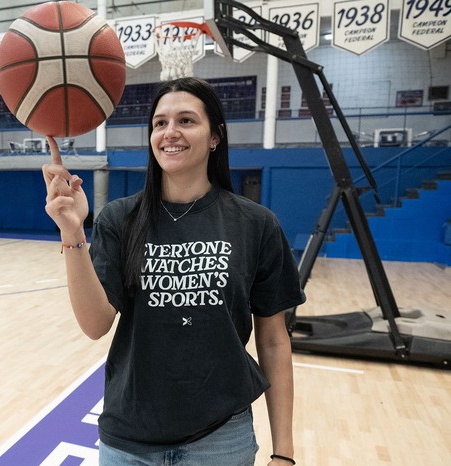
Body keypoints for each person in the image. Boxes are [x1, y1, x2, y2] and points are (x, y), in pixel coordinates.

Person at [42, 77, 305, 466]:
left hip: (220, 440)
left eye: (186, 121)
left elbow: (273, 342)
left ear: (214, 137)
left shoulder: (255, 224)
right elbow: (95, 324)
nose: (170, 133)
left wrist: (284, 451)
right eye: (160, 123)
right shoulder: (121, 218)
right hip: (128, 440)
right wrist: (73, 232)